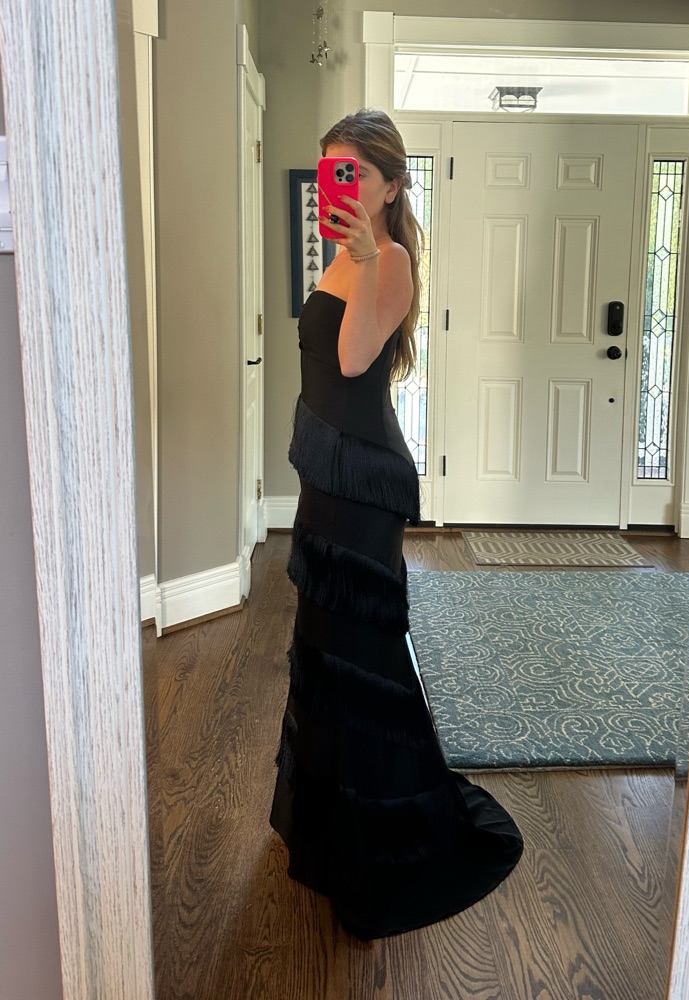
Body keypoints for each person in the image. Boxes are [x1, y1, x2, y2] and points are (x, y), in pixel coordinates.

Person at [269, 109, 523, 940]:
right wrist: (352, 256)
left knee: (359, 652)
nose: (336, 187)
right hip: (327, 474)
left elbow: (349, 361)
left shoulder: (393, 261)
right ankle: (324, 828)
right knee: (322, 643)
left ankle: (376, 832)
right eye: (330, 171)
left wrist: (370, 255)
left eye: (352, 173)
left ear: (389, 186)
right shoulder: (343, 257)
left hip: (365, 483)